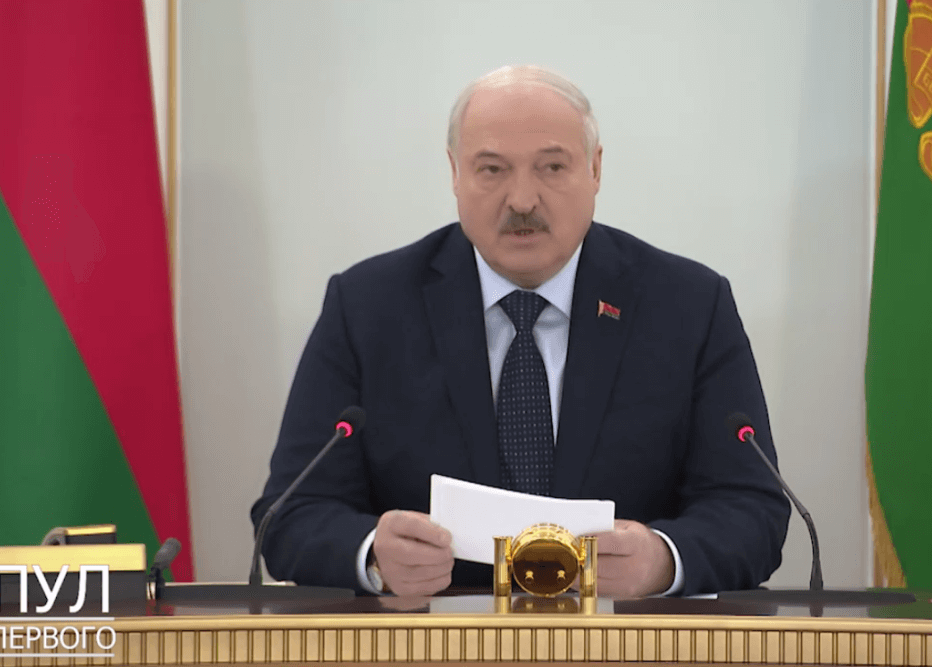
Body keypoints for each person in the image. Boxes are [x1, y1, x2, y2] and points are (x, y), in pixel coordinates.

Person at [251, 65, 790, 597]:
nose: (523, 200)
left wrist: (664, 560)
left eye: (552, 167)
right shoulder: (368, 306)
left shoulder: (688, 305)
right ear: (455, 173)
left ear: (595, 169)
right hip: (433, 641)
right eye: (492, 170)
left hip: (622, 639)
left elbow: (752, 509)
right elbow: (290, 513)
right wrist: (372, 554)